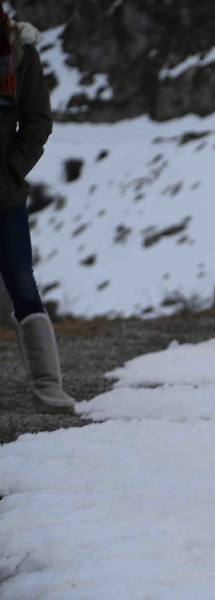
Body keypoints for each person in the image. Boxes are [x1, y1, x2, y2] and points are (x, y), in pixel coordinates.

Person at [0, 10, 75, 414]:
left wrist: (11, 171)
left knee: (23, 285)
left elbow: (37, 121)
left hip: (3, 196)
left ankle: (48, 385)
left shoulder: (20, 52)